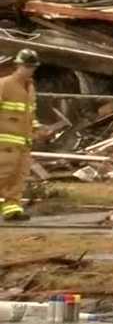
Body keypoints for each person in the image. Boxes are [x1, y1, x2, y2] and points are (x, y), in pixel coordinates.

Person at [0, 49, 39, 221]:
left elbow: (29, 114)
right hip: (5, 142)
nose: (29, 70)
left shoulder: (30, 88)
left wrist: (38, 128)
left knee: (18, 177)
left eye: (32, 67)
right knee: (3, 174)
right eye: (26, 66)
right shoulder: (4, 84)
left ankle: (12, 210)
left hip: (23, 142)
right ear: (18, 65)